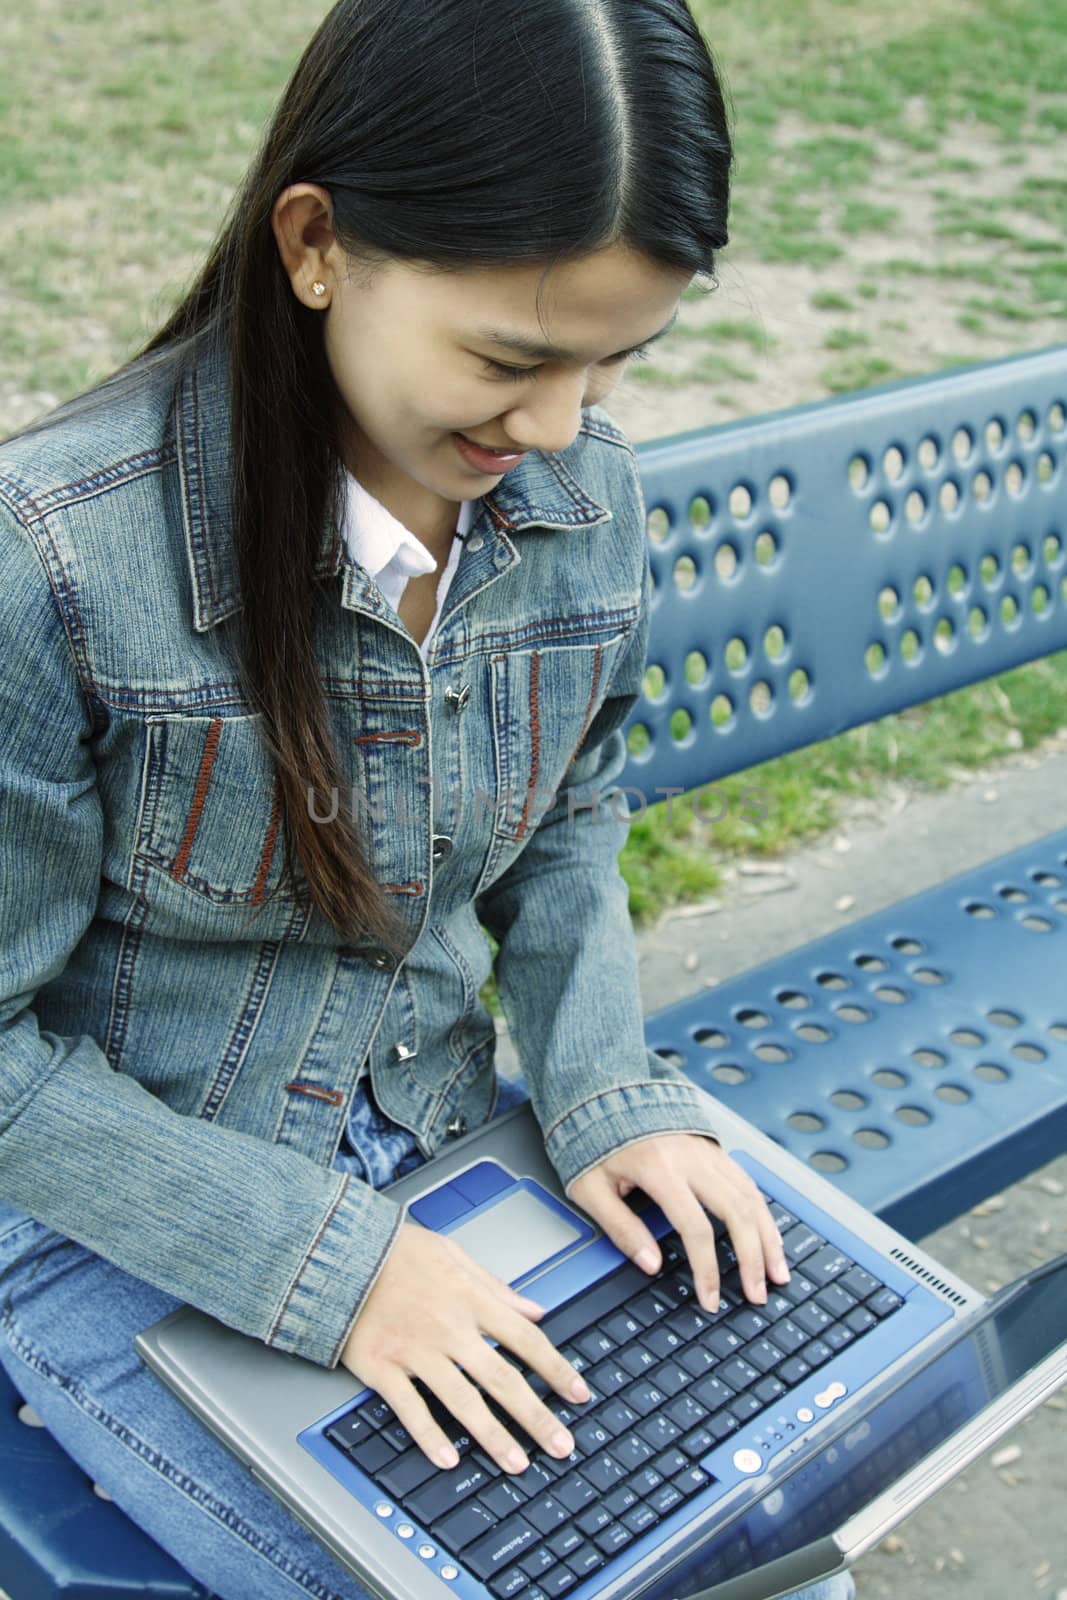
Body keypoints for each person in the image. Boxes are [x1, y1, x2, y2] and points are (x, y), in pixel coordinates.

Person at [0, 2, 856, 1598]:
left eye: (618, 360)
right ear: (317, 245)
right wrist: (336, 1268)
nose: (559, 432)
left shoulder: (577, 500)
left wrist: (605, 1088)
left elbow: (576, 810)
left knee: (759, 1497)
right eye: (515, 357)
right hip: (122, 1222)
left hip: (454, 1143)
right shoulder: (54, 558)